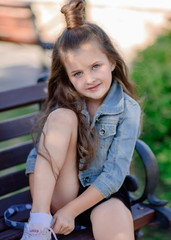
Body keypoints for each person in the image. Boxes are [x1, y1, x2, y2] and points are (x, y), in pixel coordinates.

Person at [21, 0, 141, 239]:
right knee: (63, 116)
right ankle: (37, 227)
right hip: (61, 193)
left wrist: (71, 211)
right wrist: (47, 210)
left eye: (95, 66)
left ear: (112, 62)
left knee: (116, 220)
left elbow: (114, 175)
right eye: (77, 73)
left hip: (103, 193)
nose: (89, 79)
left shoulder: (128, 109)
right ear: (68, 76)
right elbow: (39, 159)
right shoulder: (65, 103)